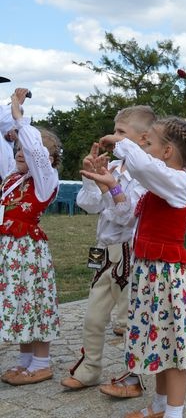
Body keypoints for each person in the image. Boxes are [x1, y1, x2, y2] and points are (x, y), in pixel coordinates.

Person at [81, 117, 186, 418]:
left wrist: (121, 142)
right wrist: (112, 186)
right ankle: (160, 406)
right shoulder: (156, 188)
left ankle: (174, 413)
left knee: (175, 348)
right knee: (162, 341)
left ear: (166, 152)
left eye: (148, 142)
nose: (142, 147)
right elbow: (125, 218)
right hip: (149, 275)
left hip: (168, 276)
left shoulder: (178, 180)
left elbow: (142, 167)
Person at [60, 106, 155, 397]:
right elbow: (88, 205)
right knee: (93, 316)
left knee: (131, 318)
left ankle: (134, 376)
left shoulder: (146, 175)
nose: (113, 138)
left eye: (121, 133)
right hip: (103, 251)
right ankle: (90, 368)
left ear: (142, 139)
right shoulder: (112, 168)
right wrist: (92, 177)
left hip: (130, 253)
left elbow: (126, 215)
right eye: (114, 131)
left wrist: (109, 187)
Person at [0, 88, 62, 385]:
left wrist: (19, 117)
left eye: (29, 148)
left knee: (35, 301)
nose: (22, 152)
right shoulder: (12, 177)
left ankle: (41, 361)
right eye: (18, 148)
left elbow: (36, 153)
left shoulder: (45, 181)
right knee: (20, 301)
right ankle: (25, 359)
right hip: (10, 250)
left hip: (28, 251)